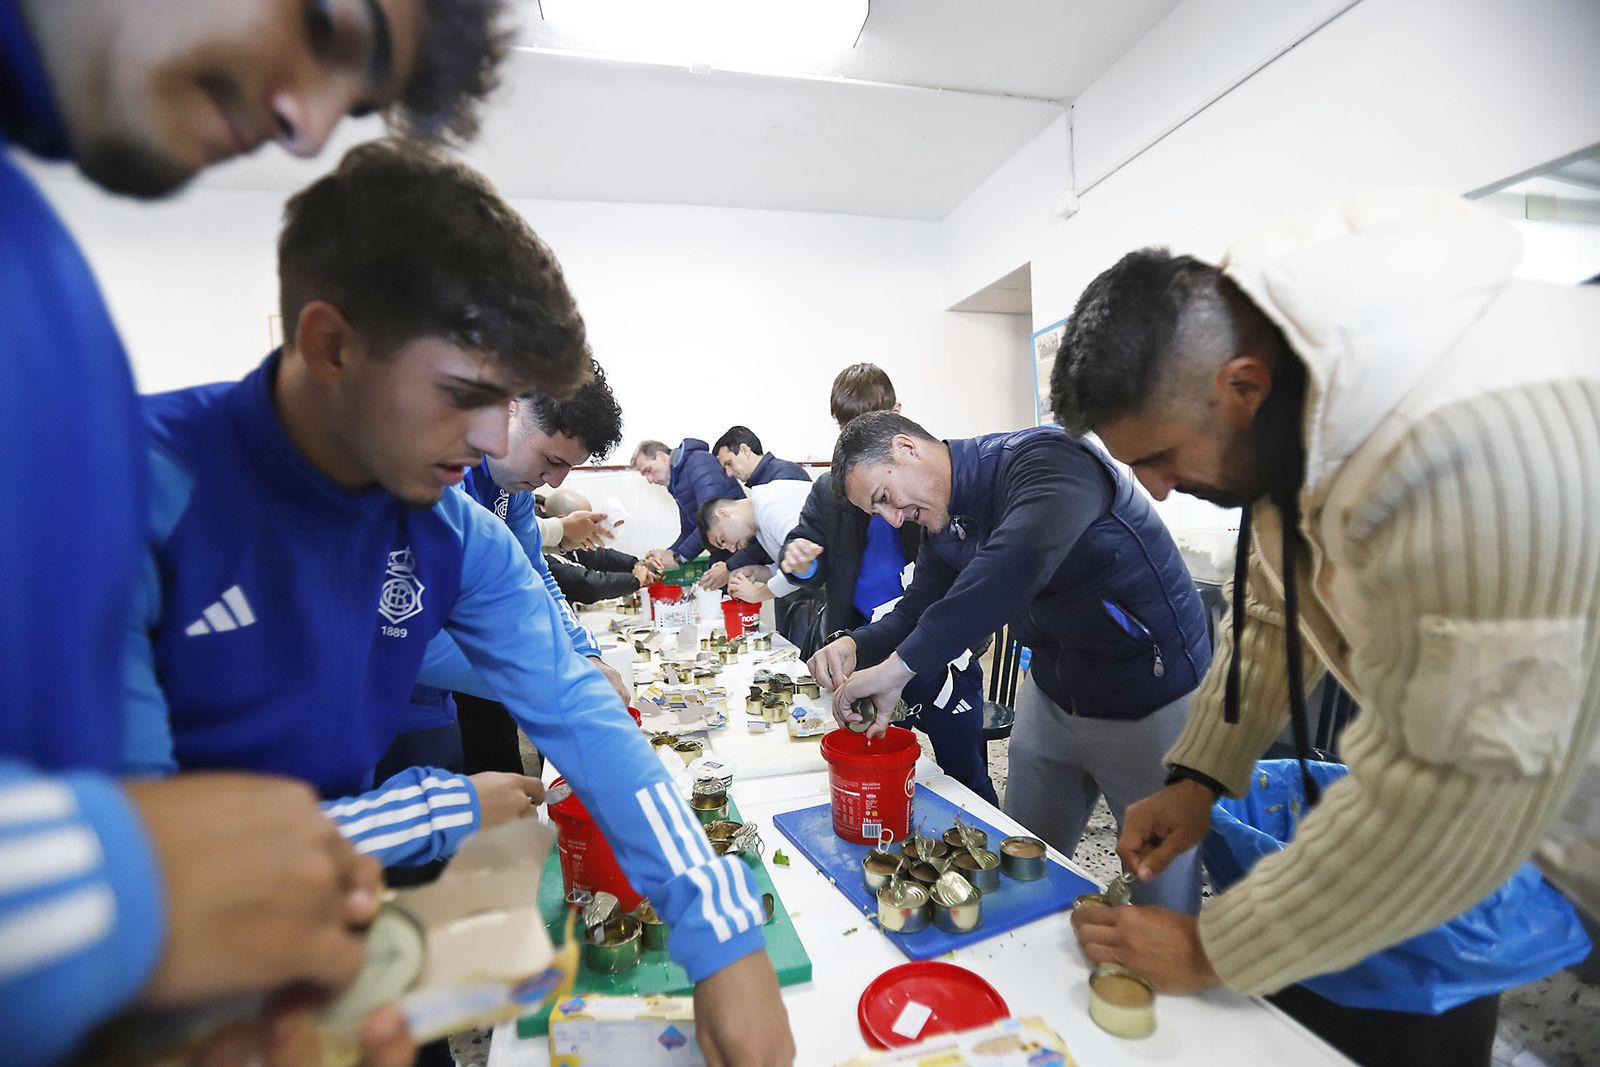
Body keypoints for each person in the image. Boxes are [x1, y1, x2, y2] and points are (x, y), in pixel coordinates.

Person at [126, 143, 794, 1065]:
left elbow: (577, 704)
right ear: (331, 345)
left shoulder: (452, 526)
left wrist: (720, 930)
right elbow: (127, 864)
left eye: (506, 401)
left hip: (331, 926)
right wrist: (434, 811)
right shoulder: (126, 491)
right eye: (464, 395)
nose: (489, 438)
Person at [0, 0, 510, 1061]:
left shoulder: (46, 286)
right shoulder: (153, 457)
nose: (308, 129)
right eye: (324, 24)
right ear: (331, 348)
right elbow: (143, 832)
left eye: (356, 102)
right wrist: (121, 889)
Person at [1052, 192, 1599, 1017]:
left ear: (1241, 386)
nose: (1156, 491)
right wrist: (1199, 777)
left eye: (1161, 457)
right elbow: (1276, 602)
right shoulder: (1302, 391)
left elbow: (1448, 790)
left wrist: (1217, 946)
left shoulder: (1475, 457)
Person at [810, 412, 1212, 911]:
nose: (893, 518)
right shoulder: (944, 523)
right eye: (879, 512)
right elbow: (920, 608)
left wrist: (897, 671)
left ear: (906, 449)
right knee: (1021, 861)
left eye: (884, 498)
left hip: (1146, 694)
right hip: (1053, 691)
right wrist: (857, 644)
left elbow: (1011, 568)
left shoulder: (1051, 460)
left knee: (1161, 895)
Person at [778, 364, 997, 802]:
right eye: (846, 428)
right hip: (867, 640)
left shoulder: (935, 488)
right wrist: (799, 559)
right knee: (876, 769)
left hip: (943, 649)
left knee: (964, 769)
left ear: (897, 419)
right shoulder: (831, 490)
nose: (892, 513)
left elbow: (961, 588)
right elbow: (809, 552)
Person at [631, 438, 743, 573]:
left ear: (661, 456)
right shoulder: (678, 479)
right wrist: (668, 554)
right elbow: (690, 528)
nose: (649, 480)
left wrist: (679, 558)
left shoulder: (699, 464)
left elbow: (712, 521)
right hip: (723, 550)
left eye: (648, 470)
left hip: (740, 548)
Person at [696, 480, 816, 604]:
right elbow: (790, 567)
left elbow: (802, 562)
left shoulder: (770, 505)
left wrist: (757, 594)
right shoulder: (759, 524)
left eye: (722, 539)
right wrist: (756, 572)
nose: (731, 549)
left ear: (722, 513)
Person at [543, 487, 660, 603]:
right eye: (587, 522)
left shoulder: (561, 537)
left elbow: (595, 556)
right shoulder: (542, 549)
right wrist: (635, 580)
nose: (589, 529)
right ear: (564, 519)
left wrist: (635, 564)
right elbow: (587, 585)